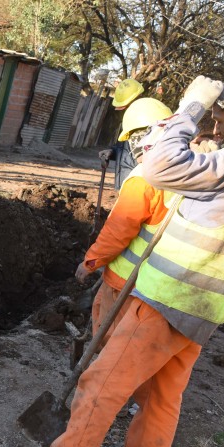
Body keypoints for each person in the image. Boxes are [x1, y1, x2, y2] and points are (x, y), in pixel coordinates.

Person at [8, 68, 224, 447]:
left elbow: (159, 166)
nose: (216, 123)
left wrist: (190, 108)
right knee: (162, 400)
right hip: (207, 309)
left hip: (168, 297)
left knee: (99, 383)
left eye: (223, 114)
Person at [77, 98, 173, 339]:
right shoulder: (188, 171)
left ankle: (98, 372)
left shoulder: (143, 179)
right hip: (160, 280)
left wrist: (91, 262)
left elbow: (119, 230)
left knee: (109, 334)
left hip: (126, 279)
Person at [100, 78, 147, 189]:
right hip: (125, 184)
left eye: (126, 106)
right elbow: (128, 149)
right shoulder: (130, 120)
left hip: (138, 187)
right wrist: (113, 152)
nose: (124, 110)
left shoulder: (149, 121)